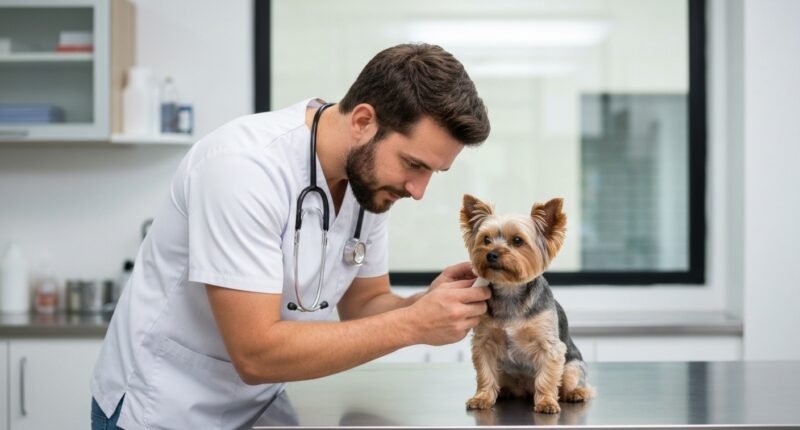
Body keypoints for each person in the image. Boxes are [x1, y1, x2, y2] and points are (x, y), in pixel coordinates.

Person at [90, 43, 492, 429]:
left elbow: (365, 303)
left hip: (259, 405)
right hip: (165, 407)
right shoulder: (243, 168)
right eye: (413, 164)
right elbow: (256, 353)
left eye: (432, 174)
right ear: (363, 122)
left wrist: (430, 303)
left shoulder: (368, 181)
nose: (418, 190)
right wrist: (414, 325)